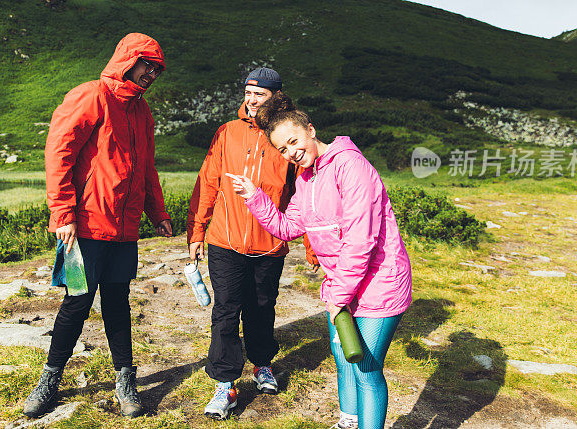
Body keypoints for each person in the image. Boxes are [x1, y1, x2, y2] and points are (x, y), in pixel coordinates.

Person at [227, 92, 412, 429]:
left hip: (379, 285)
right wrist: (255, 197)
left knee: (367, 369)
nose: (292, 153)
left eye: (294, 142)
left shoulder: (350, 167)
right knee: (343, 361)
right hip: (342, 287)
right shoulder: (305, 179)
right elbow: (288, 227)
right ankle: (348, 421)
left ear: (310, 129)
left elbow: (360, 242)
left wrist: (337, 297)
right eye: (283, 150)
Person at [23, 33, 173, 419]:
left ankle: (126, 382)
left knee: (118, 304)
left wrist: (158, 213)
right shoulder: (92, 95)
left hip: (124, 232)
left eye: (157, 69)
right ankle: (49, 381)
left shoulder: (143, 112)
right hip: (85, 227)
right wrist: (63, 214)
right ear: (128, 60)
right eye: (146, 65)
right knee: (76, 303)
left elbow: (146, 169)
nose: (151, 74)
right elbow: (59, 153)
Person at [187, 67, 300, 420]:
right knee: (225, 311)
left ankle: (262, 364)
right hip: (225, 241)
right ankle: (224, 385)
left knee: (262, 307)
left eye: (260, 94)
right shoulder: (227, 132)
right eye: (248, 92)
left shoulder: (287, 137)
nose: (251, 100)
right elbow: (208, 183)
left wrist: (312, 245)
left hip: (269, 243)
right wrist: (196, 232)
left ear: (276, 97)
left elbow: (303, 194)